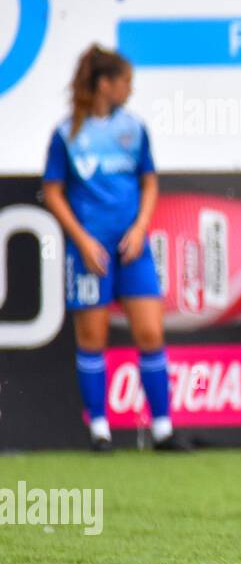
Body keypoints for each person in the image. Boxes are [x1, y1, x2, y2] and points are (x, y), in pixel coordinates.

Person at [41, 45, 185, 453]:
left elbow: (149, 181)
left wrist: (141, 226)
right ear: (105, 84)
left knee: (151, 332)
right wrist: (81, 239)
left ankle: (162, 429)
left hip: (132, 246)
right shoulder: (66, 133)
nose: (130, 90)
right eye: (125, 82)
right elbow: (53, 191)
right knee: (92, 337)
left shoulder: (134, 129)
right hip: (91, 251)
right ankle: (100, 430)